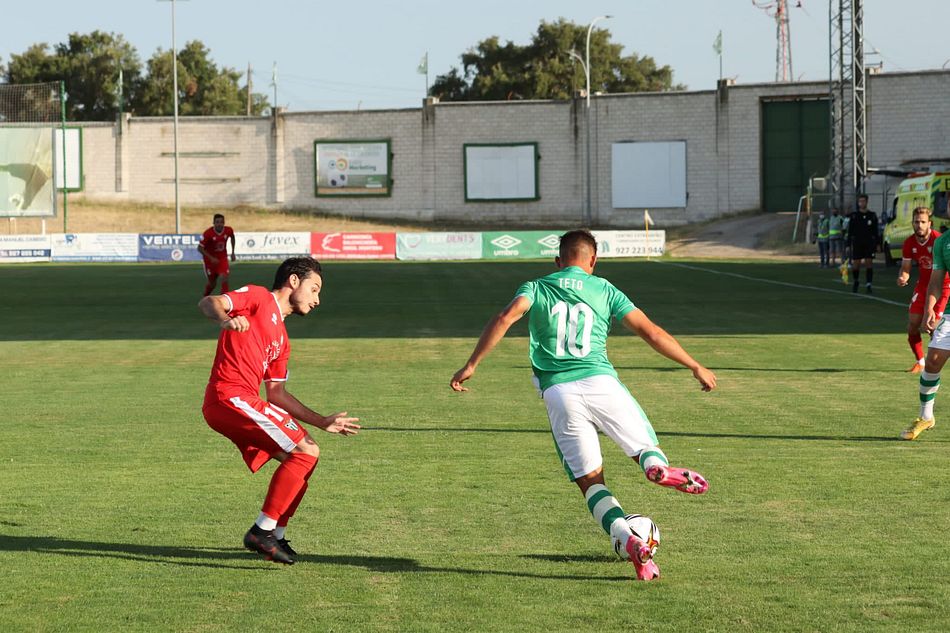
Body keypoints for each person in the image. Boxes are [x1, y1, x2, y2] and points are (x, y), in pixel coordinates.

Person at [449, 230, 717, 581]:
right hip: (602, 383)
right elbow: (651, 332)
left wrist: (471, 364)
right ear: (593, 260)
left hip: (559, 392)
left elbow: (505, 318)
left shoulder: (536, 287)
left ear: (557, 261)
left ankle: (626, 538)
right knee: (643, 448)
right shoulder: (605, 289)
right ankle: (657, 469)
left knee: (591, 484)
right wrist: (694, 364)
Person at [199, 256, 361, 563]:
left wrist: (322, 421)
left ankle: (276, 535)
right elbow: (209, 302)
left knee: (303, 457)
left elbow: (277, 394)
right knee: (306, 451)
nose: (317, 300)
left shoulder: (282, 340)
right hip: (228, 396)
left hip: (244, 401)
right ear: (294, 281)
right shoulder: (259, 298)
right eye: (315, 289)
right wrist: (225, 318)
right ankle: (262, 531)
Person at [903, 221, 950, 440]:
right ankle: (926, 417)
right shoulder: (942, 242)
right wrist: (930, 308)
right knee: (932, 361)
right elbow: (936, 281)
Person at [897, 207, 950, 374]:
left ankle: (937, 357)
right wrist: (903, 277)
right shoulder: (909, 243)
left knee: (934, 326)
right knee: (913, 325)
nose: (919, 225)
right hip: (923, 286)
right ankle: (920, 362)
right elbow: (905, 268)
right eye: (916, 222)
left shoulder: (939, 240)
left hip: (943, 287)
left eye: (922, 222)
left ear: (930, 223)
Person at [198, 213, 236, 296]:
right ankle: (205, 296)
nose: (219, 224)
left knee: (224, 278)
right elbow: (200, 248)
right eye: (217, 222)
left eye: (221, 222)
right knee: (212, 284)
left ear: (224, 223)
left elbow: (232, 237)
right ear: (214, 223)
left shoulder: (228, 230)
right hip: (210, 261)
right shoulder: (208, 233)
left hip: (222, 258)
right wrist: (211, 258)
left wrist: (233, 252)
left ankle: (224, 300)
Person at [847, 194, 879, 294]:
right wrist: (848, 245)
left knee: (869, 263)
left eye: (863, 201)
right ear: (858, 203)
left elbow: (876, 231)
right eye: (860, 201)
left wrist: (877, 244)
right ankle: (856, 281)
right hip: (857, 243)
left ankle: (869, 284)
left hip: (869, 243)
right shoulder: (854, 216)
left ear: (867, 202)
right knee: (856, 264)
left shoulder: (872, 215)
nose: (862, 203)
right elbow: (850, 231)